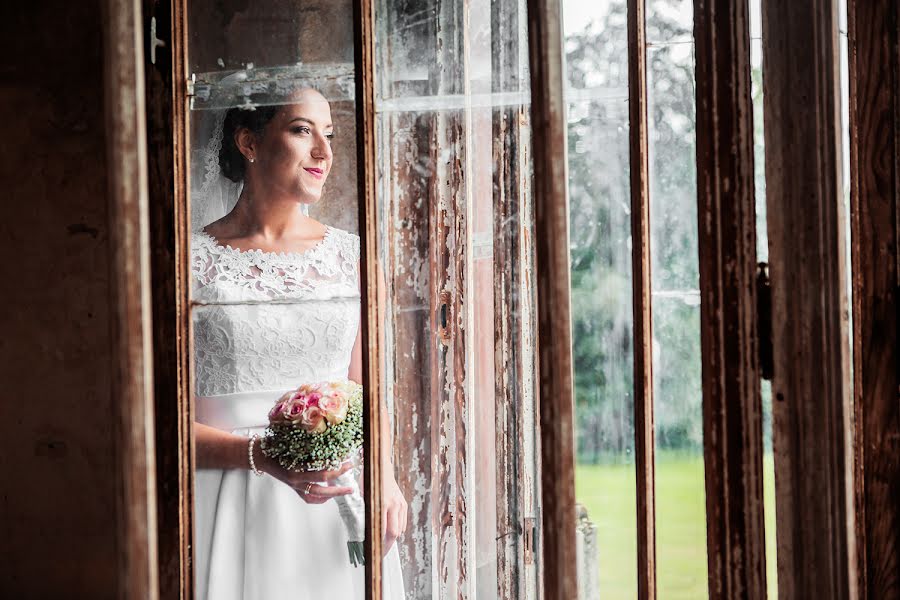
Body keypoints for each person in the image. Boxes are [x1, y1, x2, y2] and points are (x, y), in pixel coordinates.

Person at [191, 88, 407, 599]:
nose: (325, 153)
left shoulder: (354, 258)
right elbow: (154, 422)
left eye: (328, 135)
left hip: (338, 502)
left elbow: (369, 388)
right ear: (249, 141)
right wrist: (260, 455)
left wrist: (386, 479)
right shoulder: (188, 263)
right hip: (226, 498)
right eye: (302, 130)